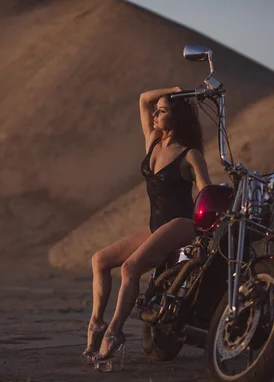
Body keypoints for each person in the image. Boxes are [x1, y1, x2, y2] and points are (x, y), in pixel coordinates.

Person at [83, 86, 213, 362]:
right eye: (157, 110)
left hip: (182, 224)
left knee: (130, 268)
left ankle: (115, 332)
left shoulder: (190, 155)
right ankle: (97, 322)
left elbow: (206, 194)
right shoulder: (153, 141)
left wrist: (207, 229)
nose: (155, 114)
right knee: (100, 260)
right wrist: (176, 91)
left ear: (176, 118)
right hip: (156, 226)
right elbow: (143, 98)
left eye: (162, 111)